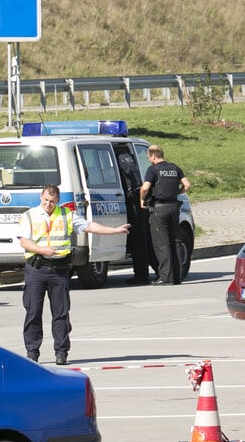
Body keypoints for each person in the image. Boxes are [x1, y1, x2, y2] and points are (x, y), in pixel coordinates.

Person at [18, 184, 131, 365]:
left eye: (52, 201)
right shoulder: (29, 216)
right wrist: (41, 250)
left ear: (58, 201)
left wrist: (114, 230)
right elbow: (24, 242)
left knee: (61, 313)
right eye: (46, 200)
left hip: (59, 270)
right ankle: (32, 352)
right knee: (33, 312)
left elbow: (89, 226)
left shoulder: (66, 215)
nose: (48, 204)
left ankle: (61, 352)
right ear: (41, 197)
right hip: (36, 268)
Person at [139, 145, 191, 285]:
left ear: (153, 156)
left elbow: (145, 187)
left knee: (161, 243)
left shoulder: (153, 169)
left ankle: (165, 277)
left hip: (160, 208)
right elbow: (187, 185)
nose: (149, 160)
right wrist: (177, 193)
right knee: (175, 240)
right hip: (174, 207)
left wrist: (142, 199)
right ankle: (177, 276)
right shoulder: (174, 168)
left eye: (149, 157)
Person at [118, 152, 150, 285]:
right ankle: (158, 272)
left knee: (138, 240)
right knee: (141, 240)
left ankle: (142, 274)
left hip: (132, 201)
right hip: (136, 202)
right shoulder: (128, 158)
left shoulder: (122, 159)